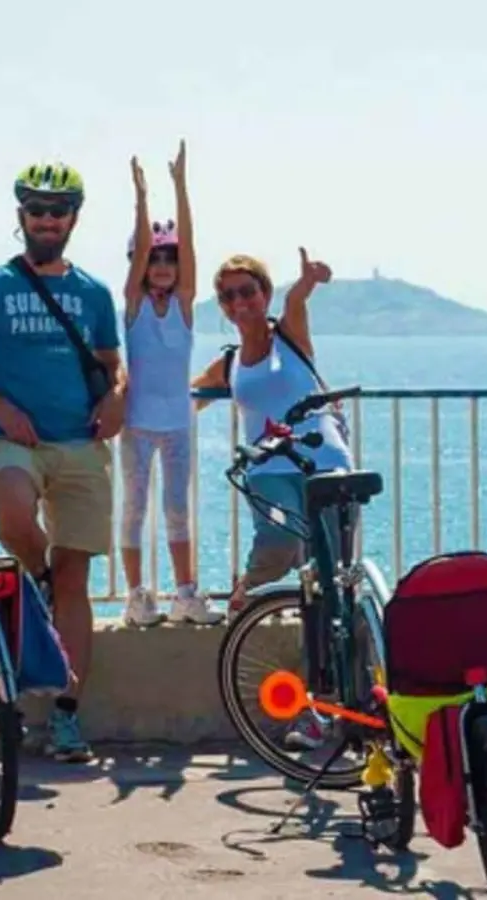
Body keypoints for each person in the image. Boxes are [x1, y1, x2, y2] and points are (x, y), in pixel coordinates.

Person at [0, 161, 127, 763]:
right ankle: (39, 579)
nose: (47, 220)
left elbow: (110, 362)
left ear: (74, 217)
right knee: (15, 517)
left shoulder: (94, 292)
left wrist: (116, 397)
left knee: (76, 579)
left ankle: (67, 717)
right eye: (37, 210)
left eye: (59, 211)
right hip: (12, 438)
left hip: (79, 442)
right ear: (20, 215)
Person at [191, 248, 351, 750]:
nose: (240, 302)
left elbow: (297, 302)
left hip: (325, 463)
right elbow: (184, 397)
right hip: (268, 469)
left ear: (264, 293)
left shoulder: (291, 337)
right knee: (279, 540)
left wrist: (304, 286)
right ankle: (250, 585)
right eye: (229, 295)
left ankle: (329, 706)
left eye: (248, 291)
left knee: (333, 592)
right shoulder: (231, 361)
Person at [119, 142, 220, 627]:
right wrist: (141, 199)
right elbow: (141, 253)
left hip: (178, 422)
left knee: (179, 508)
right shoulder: (133, 308)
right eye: (152, 259)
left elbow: (192, 248)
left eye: (168, 259)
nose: (161, 266)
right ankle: (138, 595)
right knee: (134, 507)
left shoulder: (183, 304)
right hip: (137, 422)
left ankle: (184, 592)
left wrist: (181, 186)